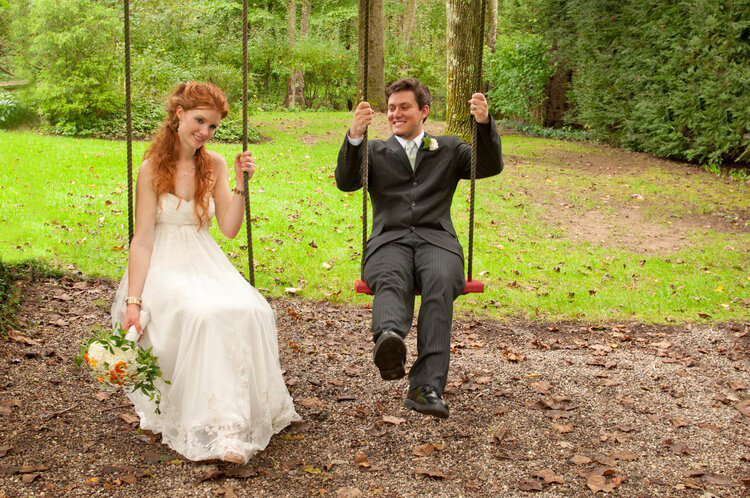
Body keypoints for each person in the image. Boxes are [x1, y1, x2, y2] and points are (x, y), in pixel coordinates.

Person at [111, 82, 299, 464]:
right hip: (164, 263)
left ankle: (240, 418)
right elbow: (142, 240)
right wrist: (134, 299)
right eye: (200, 121)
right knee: (204, 316)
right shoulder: (150, 169)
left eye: (212, 126)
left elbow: (229, 227)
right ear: (178, 114)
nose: (205, 132)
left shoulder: (213, 164)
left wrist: (243, 185)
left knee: (253, 310)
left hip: (204, 259)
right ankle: (222, 430)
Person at [335, 78, 503, 419]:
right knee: (390, 275)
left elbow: (487, 166)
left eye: (404, 107)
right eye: (392, 108)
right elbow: (346, 181)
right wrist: (354, 135)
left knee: (441, 282)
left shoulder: (450, 149)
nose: (396, 113)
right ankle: (390, 341)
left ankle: (425, 388)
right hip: (390, 239)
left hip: (436, 239)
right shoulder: (374, 151)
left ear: (424, 111)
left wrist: (483, 124)